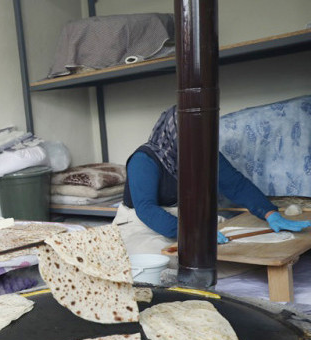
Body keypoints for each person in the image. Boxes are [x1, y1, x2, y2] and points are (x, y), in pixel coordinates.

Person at [113, 105, 311, 269]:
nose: (199, 143)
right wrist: (191, 233)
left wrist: (270, 213)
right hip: (140, 225)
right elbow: (146, 209)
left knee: (231, 250)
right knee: (168, 262)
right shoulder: (144, 159)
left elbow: (235, 184)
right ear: (174, 134)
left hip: (182, 219)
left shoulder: (202, 150)